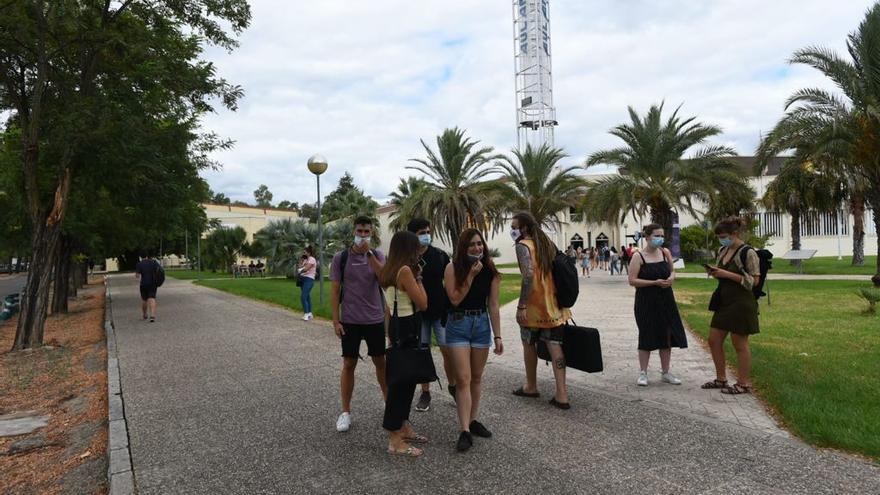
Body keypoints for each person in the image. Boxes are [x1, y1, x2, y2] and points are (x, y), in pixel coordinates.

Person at [444, 228, 503, 452]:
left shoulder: (490, 270)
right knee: (463, 378)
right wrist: (470, 275)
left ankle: (473, 420)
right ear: (463, 248)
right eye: (471, 245)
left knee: (476, 377)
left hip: (480, 325)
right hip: (458, 324)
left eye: (480, 244)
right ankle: (464, 430)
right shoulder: (452, 268)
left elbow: (494, 305)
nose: (477, 248)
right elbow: (455, 299)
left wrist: (497, 335)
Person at [330, 216, 387, 433]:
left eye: (366, 232)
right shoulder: (341, 258)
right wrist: (336, 321)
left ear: (371, 233)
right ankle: (345, 411)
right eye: (360, 231)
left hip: (374, 319)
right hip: (351, 320)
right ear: (353, 231)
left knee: (381, 362)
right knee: (348, 364)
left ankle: (388, 403)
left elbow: (384, 282)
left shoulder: (378, 255)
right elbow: (335, 291)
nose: (362, 235)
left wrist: (370, 256)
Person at [511, 212, 572, 409]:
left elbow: (528, 276)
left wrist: (521, 305)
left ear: (525, 228)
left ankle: (531, 385)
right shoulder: (547, 244)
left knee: (529, 343)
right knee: (555, 346)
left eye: (514, 227)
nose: (512, 231)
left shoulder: (523, 246)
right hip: (553, 304)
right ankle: (562, 394)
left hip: (534, 306)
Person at [379, 231, 429, 457]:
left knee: (405, 380)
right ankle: (395, 440)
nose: (419, 251)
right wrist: (420, 278)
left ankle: (404, 427)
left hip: (397, 327)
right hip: (408, 326)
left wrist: (389, 333)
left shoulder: (387, 270)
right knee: (401, 384)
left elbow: (388, 308)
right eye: (416, 247)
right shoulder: (406, 271)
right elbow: (423, 303)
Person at [701, 217, 760, 395]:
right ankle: (721, 378)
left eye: (724, 236)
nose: (722, 239)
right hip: (724, 301)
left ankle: (744, 383)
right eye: (719, 236)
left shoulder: (748, 252)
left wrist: (726, 274)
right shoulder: (722, 250)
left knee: (739, 343)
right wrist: (715, 272)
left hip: (741, 302)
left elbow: (754, 281)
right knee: (714, 339)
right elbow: (723, 273)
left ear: (735, 234)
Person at [628, 224, 688, 386]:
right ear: (647, 237)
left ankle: (666, 372)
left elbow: (672, 270)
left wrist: (672, 278)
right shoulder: (638, 257)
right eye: (656, 235)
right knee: (646, 334)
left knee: (666, 335)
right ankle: (643, 372)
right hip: (646, 301)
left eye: (662, 235)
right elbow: (632, 280)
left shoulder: (665, 252)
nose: (660, 238)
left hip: (666, 299)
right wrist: (654, 282)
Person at [405, 219, 454, 413]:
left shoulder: (440, 256)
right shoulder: (407, 259)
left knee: (447, 351)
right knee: (422, 353)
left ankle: (454, 388)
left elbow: (450, 282)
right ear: (412, 235)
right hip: (418, 314)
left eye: (427, 231)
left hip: (440, 313)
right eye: (421, 232)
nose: (426, 235)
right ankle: (425, 392)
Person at [135, 253, 160, 322]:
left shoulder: (139, 264)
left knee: (144, 300)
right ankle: (152, 315)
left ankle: (145, 314)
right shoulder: (153, 263)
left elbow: (137, 275)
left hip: (143, 284)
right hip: (153, 283)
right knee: (152, 298)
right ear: (147, 256)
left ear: (141, 256)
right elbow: (158, 271)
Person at [298, 246, 317, 321]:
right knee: (307, 297)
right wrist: (301, 260)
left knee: (303, 297)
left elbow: (306, 269)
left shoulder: (312, 259)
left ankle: (306, 314)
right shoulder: (305, 260)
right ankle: (310, 313)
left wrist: (300, 270)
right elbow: (299, 267)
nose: (303, 253)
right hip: (302, 279)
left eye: (304, 252)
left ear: (308, 252)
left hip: (309, 279)